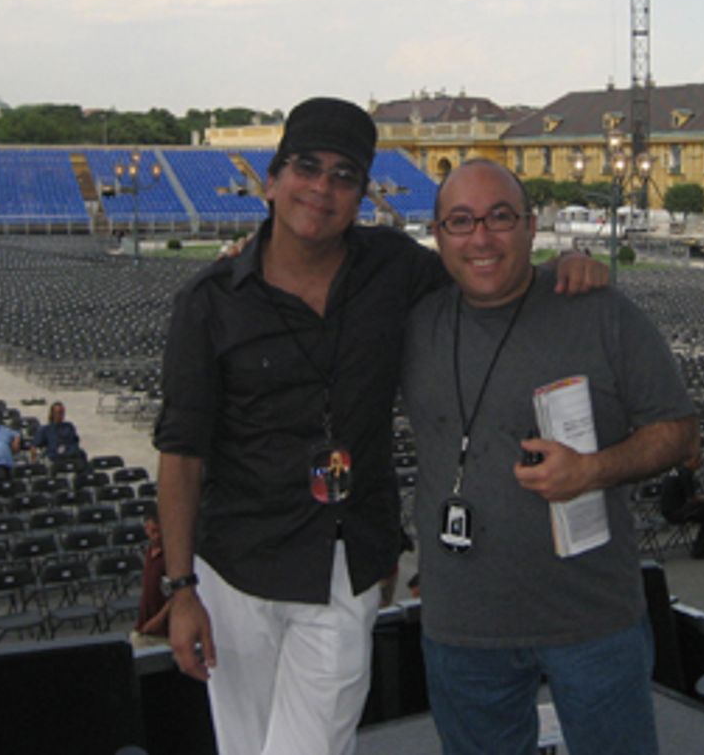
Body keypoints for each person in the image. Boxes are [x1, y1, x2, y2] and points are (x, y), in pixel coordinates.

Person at [153, 100, 607, 755]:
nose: (322, 188)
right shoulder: (207, 303)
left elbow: (484, 275)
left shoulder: (395, 267)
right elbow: (182, 455)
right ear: (272, 179)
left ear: (363, 195)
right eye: (306, 168)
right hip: (233, 569)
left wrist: (563, 266)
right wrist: (182, 589)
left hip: (344, 562)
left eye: (344, 176)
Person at [400, 159, 696, 755]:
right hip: (462, 625)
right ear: (437, 234)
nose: (481, 238)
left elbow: (679, 432)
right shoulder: (411, 323)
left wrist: (592, 470)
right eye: (461, 221)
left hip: (592, 619)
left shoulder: (600, 311)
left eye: (500, 217)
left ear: (533, 227)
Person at [659, 452, 704, 560]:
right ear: (691, 461)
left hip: (670, 510)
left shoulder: (675, 470)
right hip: (677, 512)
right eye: (699, 461)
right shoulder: (686, 473)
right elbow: (692, 499)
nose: (701, 464)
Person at [132, 507, 172, 649]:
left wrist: (158, 620)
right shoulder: (148, 551)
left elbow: (178, 593)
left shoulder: (171, 556)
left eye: (158, 531)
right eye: (152, 531)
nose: (155, 536)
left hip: (166, 629)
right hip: (145, 622)